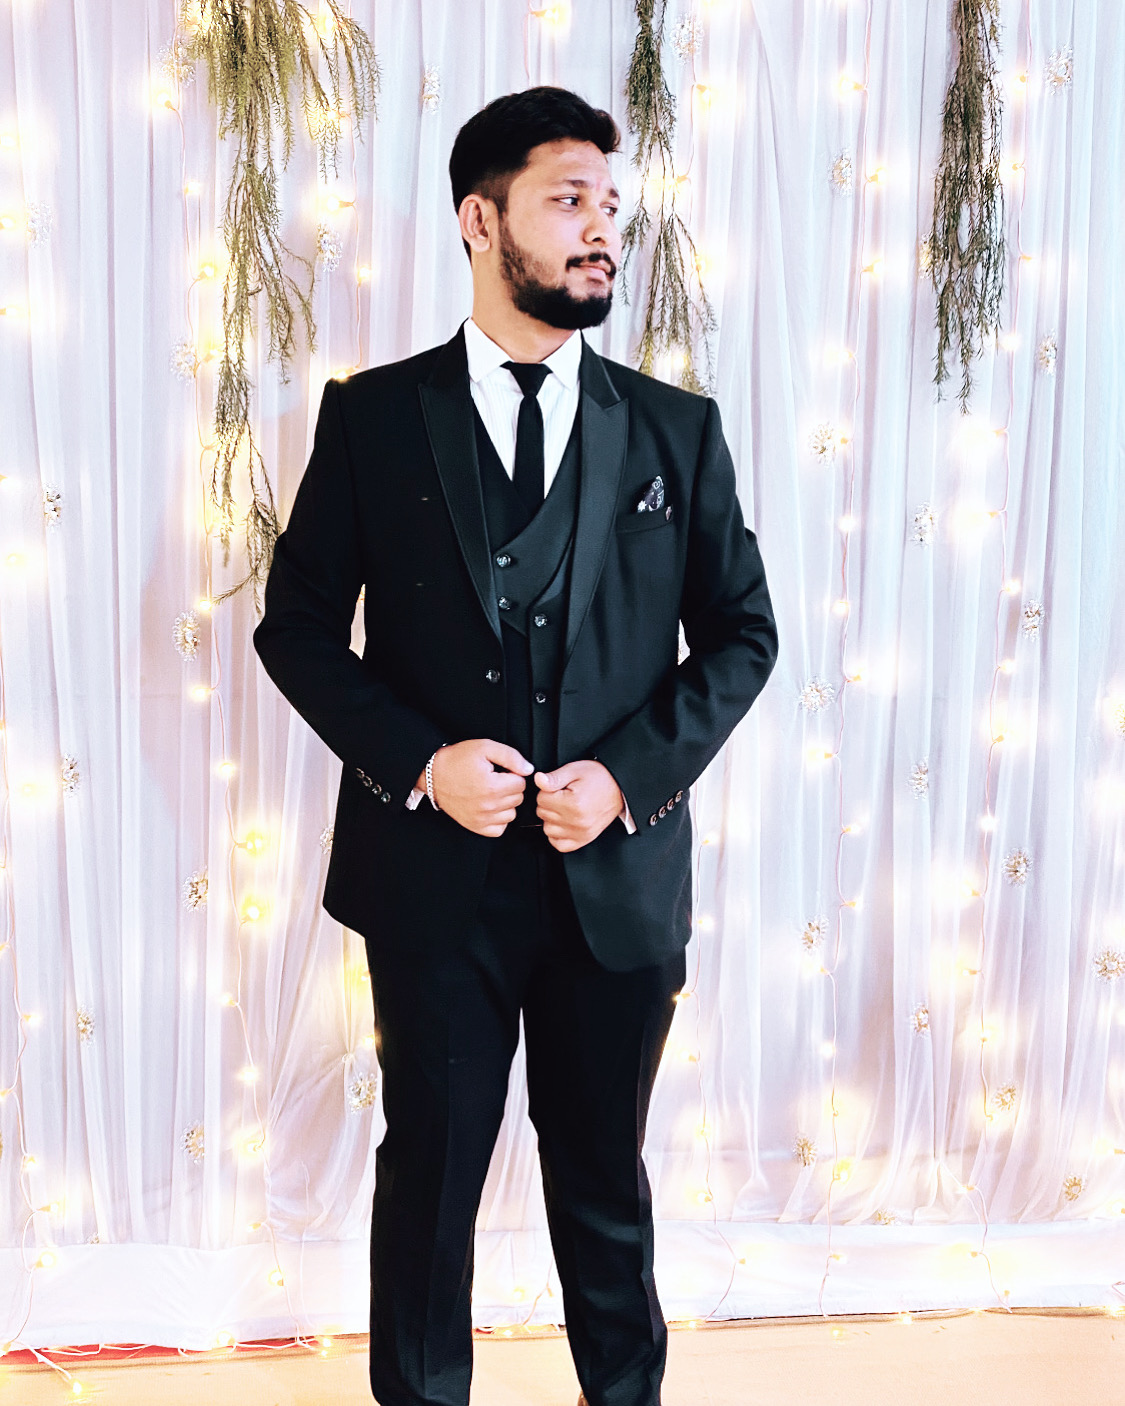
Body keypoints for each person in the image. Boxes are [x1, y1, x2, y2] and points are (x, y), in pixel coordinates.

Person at [254, 84, 778, 1406]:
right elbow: (295, 629)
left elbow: (742, 636)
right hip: (434, 881)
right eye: (568, 200)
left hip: (617, 880)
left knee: (603, 1183)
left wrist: (629, 777)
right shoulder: (373, 417)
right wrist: (420, 762)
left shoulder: (675, 430)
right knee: (428, 1181)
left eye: (611, 204)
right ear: (480, 222)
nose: (602, 229)